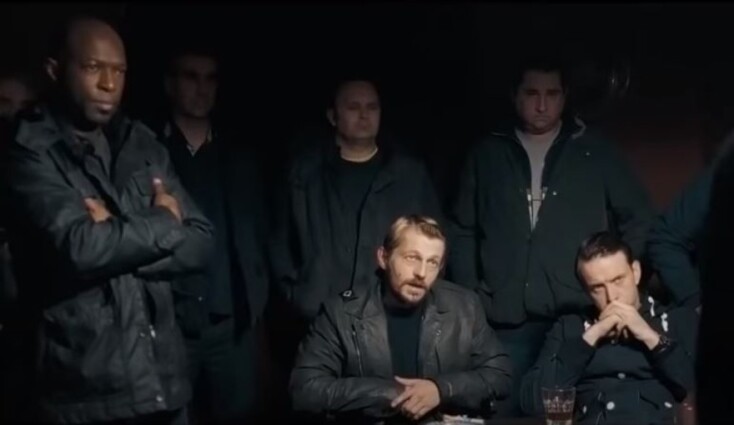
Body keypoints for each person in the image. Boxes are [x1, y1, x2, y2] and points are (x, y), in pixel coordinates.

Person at [2, 16, 213, 423]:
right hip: (85, 393)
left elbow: (202, 240)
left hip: (164, 383)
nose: (108, 84)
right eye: (92, 67)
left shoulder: (141, 143)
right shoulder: (29, 150)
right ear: (55, 70)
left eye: (119, 71)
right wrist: (162, 223)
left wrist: (117, 239)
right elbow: (79, 248)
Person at [449, 55, 653, 416]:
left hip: (577, 314)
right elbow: (462, 228)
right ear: (514, 96)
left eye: (552, 94)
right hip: (503, 318)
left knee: (574, 412)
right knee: (507, 411)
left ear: (565, 96)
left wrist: (617, 284)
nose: (542, 105)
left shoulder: (594, 150)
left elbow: (640, 219)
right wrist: (472, 296)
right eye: (532, 93)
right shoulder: (487, 152)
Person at [269, 78, 444, 363]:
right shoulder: (305, 174)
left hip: (391, 319)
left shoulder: (408, 174)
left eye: (372, 107)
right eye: (353, 107)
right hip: (319, 319)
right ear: (332, 116)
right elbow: (279, 241)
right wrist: (299, 294)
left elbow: (436, 239)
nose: (364, 115)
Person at [290, 215, 512, 424]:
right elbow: (305, 389)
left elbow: (500, 375)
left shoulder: (464, 307)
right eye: (412, 258)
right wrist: (395, 394)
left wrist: (440, 389)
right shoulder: (341, 313)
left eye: (432, 262)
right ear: (383, 257)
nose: (421, 273)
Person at [153, 42, 270, 424]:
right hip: (170, 321)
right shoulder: (150, 152)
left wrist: (257, 297)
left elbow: (258, 229)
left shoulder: (239, 153)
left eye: (210, 79)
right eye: (191, 77)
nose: (201, 88)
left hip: (230, 322)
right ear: (170, 84)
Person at [520, 232, 697, 425]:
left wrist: (649, 336)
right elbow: (533, 402)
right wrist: (592, 336)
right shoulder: (570, 328)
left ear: (636, 272)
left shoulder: (676, 320)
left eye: (618, 280)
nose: (612, 297)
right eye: (597, 288)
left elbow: (704, 390)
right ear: (586, 291)